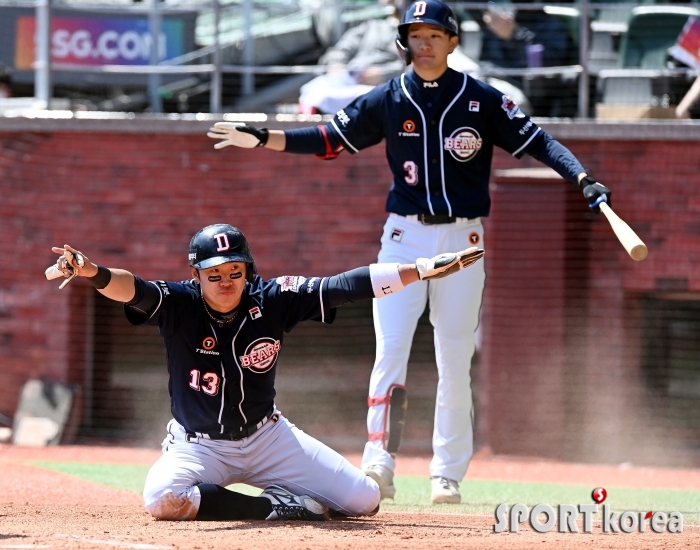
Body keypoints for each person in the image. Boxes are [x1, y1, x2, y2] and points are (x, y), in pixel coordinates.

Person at [207, 0, 611, 504]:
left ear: (453, 42)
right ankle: (379, 462)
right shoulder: (388, 98)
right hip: (403, 238)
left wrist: (583, 179)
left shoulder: (482, 98)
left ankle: (447, 472)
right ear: (404, 41)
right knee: (391, 351)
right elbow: (332, 137)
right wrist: (265, 137)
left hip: (463, 238)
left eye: (435, 36)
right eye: (416, 36)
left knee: (454, 357)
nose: (425, 44)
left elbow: (539, 141)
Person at [48, 224, 483, 520]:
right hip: (199, 447)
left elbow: (343, 285)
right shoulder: (179, 304)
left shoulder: (273, 299)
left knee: (365, 501)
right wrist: (91, 271)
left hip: (267, 437)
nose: (225, 281)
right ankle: (277, 507)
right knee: (162, 499)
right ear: (196, 275)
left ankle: (287, 493)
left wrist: (418, 270)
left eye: (234, 270)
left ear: (247, 271)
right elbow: (132, 287)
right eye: (213, 273)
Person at [477, 0, 576, 117]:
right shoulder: (496, 24)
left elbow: (545, 72)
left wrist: (513, 35)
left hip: (520, 97)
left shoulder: (552, 27)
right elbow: (484, 62)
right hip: (488, 85)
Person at [299, 6, 405, 115]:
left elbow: (415, 67)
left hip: (384, 87)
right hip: (348, 78)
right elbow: (340, 50)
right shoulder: (370, 27)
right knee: (314, 89)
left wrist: (384, 75)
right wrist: (336, 64)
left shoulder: (414, 36)